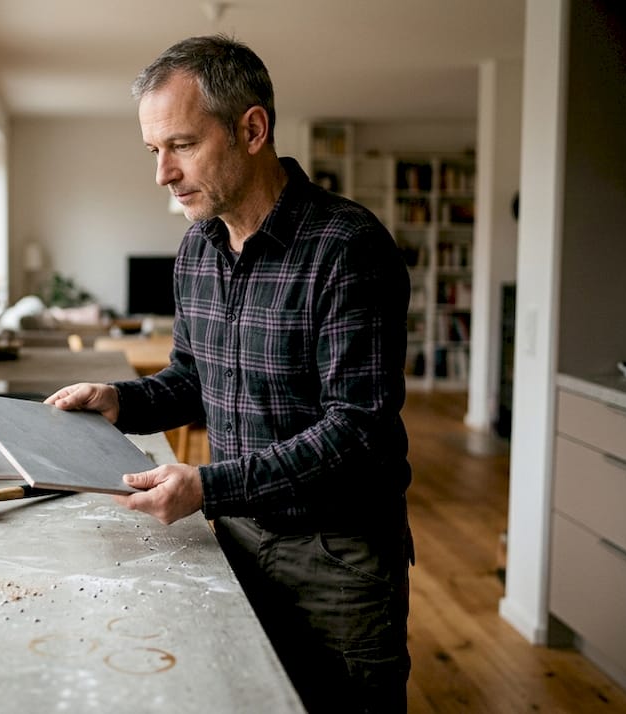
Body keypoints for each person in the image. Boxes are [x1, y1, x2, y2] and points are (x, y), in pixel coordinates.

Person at [45, 35, 413, 713]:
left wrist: (208, 485)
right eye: (153, 151)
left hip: (334, 556)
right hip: (236, 537)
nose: (163, 173)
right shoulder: (197, 250)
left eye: (181, 145)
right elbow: (192, 379)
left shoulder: (347, 248)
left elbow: (358, 431)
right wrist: (118, 402)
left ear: (251, 129)